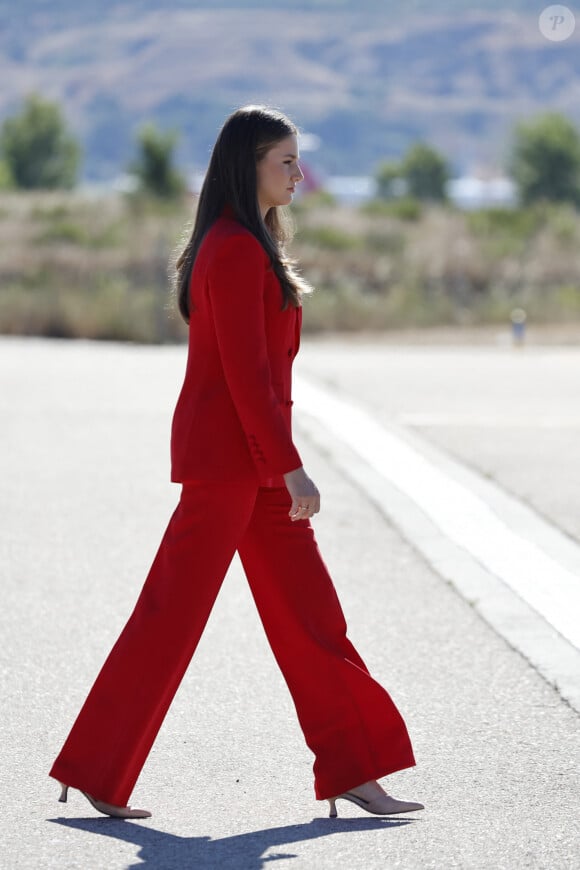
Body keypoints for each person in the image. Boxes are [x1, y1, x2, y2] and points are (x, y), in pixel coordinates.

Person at [49, 105, 424, 820]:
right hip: (230, 468)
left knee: (313, 619)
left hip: (251, 467)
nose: (296, 173)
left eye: (296, 159)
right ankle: (97, 767)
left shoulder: (249, 244)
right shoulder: (232, 249)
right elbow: (247, 377)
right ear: (246, 163)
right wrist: (290, 467)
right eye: (284, 160)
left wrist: (278, 466)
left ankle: (355, 768)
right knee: (169, 618)